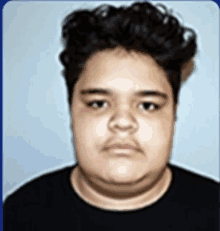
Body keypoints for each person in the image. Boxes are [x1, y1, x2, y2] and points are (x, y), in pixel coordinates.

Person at [3, 1, 219, 230]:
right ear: (71, 110)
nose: (123, 122)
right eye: (99, 103)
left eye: (147, 105)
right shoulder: (20, 212)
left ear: (174, 113)